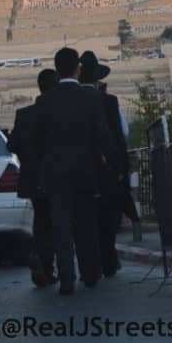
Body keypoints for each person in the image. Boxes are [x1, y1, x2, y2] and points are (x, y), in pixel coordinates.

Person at [33, 47, 112, 294]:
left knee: (61, 227)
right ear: (78, 68)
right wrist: (112, 166)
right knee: (86, 224)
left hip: (56, 174)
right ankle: (90, 273)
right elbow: (103, 136)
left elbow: (38, 141)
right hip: (85, 171)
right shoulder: (91, 98)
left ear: (57, 69)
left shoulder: (44, 101)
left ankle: (67, 278)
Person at [6, 68, 59, 287]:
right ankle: (46, 262)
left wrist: (28, 158)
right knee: (56, 223)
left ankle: (40, 258)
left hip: (34, 179)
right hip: (57, 178)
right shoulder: (58, 114)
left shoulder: (24, 114)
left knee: (41, 221)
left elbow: (12, 144)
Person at [78, 51, 129, 278]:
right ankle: (108, 260)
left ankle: (90, 264)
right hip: (107, 170)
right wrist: (120, 167)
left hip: (81, 170)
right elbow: (121, 134)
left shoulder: (72, 102)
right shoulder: (109, 101)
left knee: (85, 220)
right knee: (108, 219)